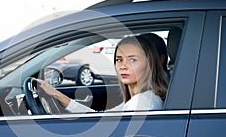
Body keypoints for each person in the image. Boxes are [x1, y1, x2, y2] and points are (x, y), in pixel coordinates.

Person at [36, 35, 168, 113]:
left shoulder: (142, 103)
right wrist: (55, 94)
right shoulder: (139, 99)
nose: (123, 66)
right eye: (119, 60)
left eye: (132, 60)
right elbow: (100, 118)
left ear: (150, 63)